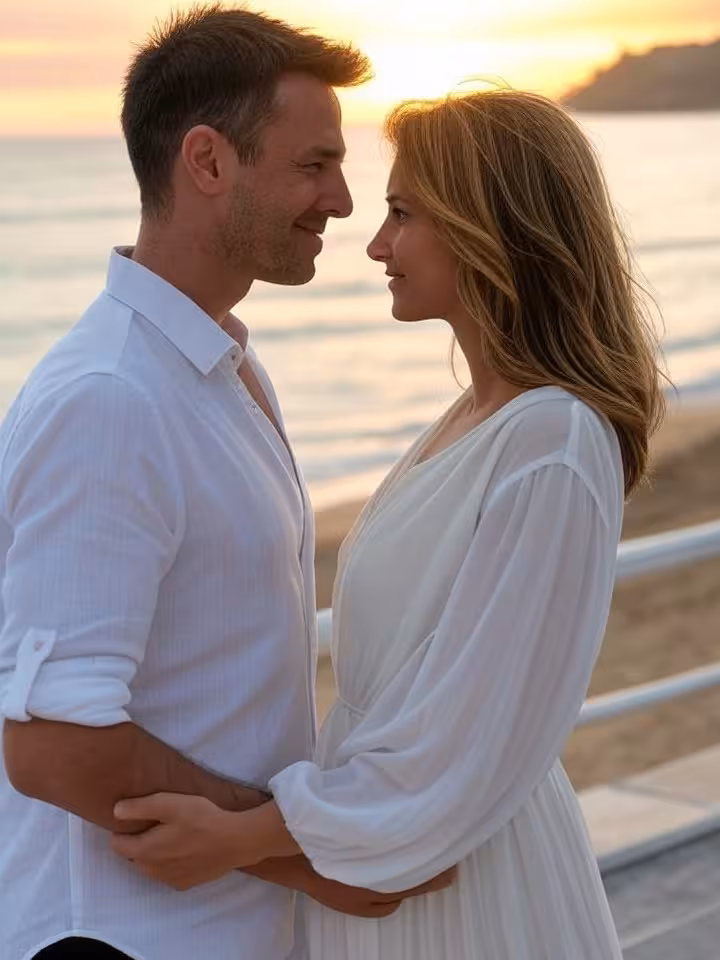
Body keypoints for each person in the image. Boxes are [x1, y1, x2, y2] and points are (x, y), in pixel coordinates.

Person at [112, 89, 667, 959]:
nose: (375, 245)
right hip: (380, 855)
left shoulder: (551, 443)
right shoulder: (474, 418)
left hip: (462, 886)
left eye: (403, 215)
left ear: (491, 228)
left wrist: (242, 839)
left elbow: (466, 740)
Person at [0, 6, 454, 960]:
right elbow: (53, 743)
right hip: (121, 939)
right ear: (207, 162)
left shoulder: (223, 367)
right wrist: (306, 856)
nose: (341, 201)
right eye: (314, 164)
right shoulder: (111, 400)